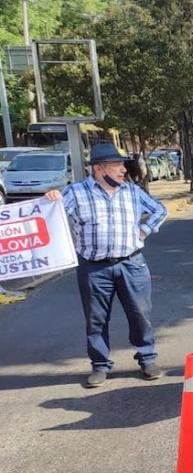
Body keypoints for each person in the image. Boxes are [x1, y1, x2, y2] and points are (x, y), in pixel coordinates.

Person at [43, 143, 168, 388]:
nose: (123, 169)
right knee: (96, 319)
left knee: (140, 313)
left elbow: (160, 210)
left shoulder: (131, 191)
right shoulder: (76, 192)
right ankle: (100, 365)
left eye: (122, 164)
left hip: (131, 264)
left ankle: (147, 358)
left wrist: (144, 229)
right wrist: (51, 198)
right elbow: (50, 215)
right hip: (93, 268)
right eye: (117, 165)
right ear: (99, 169)